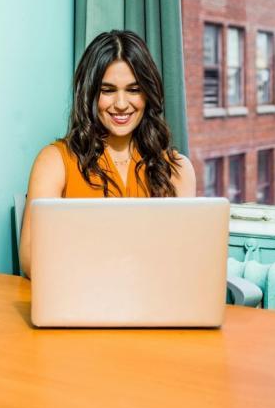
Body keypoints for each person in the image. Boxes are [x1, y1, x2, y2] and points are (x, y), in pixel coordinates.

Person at [19, 30, 196, 278]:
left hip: (154, 305)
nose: (122, 104)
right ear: (90, 94)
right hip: (79, 300)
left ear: (148, 94)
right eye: (108, 90)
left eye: (134, 89)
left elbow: (185, 259)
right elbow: (30, 260)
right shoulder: (54, 162)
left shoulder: (177, 168)